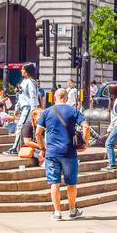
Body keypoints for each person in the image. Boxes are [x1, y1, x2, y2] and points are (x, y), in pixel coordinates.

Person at [37, 67, 87, 221]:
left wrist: (42, 148)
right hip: (69, 152)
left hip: (52, 153)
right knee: (71, 183)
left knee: (54, 183)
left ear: (55, 98)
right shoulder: (73, 111)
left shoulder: (46, 112)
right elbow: (86, 126)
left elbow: (38, 133)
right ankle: (72, 210)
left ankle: (57, 213)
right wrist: (84, 143)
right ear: (66, 98)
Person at [7, 61, 41, 156]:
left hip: (28, 108)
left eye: (23, 69)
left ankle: (15, 148)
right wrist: (17, 108)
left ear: (27, 71)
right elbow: (21, 96)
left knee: (20, 127)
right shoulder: (24, 81)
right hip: (24, 107)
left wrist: (34, 111)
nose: (21, 70)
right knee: (20, 127)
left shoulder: (30, 82)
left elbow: (33, 97)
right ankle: (16, 147)